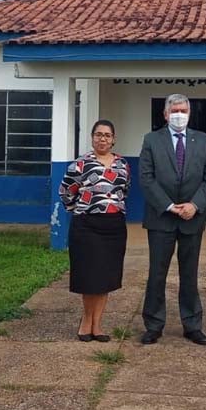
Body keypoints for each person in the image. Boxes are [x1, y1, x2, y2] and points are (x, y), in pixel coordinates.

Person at [139, 93, 206, 346]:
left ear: (189, 113)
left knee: (190, 274)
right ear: (165, 114)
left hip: (192, 219)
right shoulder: (151, 140)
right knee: (157, 275)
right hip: (161, 218)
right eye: (174, 110)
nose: (179, 115)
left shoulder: (204, 140)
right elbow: (146, 177)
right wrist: (169, 206)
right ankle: (153, 324)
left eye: (183, 110)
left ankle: (192, 324)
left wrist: (195, 205)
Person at [59, 119, 131, 342]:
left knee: (106, 277)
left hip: (114, 227)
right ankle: (86, 321)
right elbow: (66, 193)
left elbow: (124, 192)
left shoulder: (122, 165)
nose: (103, 139)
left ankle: (98, 325)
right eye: (98, 134)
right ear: (92, 138)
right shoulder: (80, 165)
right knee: (88, 276)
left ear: (113, 139)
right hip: (86, 227)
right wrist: (83, 210)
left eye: (107, 135)